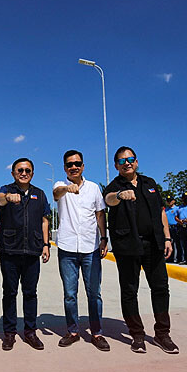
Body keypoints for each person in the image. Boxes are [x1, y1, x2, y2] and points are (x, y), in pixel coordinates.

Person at [104, 146, 178, 354]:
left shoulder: (150, 183)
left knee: (161, 288)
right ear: (116, 166)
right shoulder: (113, 186)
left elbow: (161, 212)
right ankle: (137, 335)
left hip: (154, 243)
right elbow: (109, 200)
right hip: (127, 246)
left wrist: (167, 237)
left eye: (131, 159)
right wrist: (120, 194)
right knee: (129, 291)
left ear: (136, 162)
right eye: (122, 161)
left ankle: (163, 334)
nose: (127, 163)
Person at [53, 150, 110, 351]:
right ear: (65, 168)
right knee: (70, 293)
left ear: (83, 166)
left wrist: (104, 239)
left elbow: (100, 214)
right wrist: (67, 189)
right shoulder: (60, 185)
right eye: (69, 164)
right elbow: (56, 194)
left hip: (90, 247)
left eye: (77, 163)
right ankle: (73, 331)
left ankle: (97, 333)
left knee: (94, 293)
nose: (74, 167)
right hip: (67, 248)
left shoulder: (94, 188)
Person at [0, 158, 51, 351]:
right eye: (20, 170)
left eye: (27, 170)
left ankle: (30, 332)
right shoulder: (5, 189)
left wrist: (45, 244)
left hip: (33, 250)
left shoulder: (40, 194)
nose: (24, 173)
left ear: (32, 173)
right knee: (9, 293)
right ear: (13, 173)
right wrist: (8, 197)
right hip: (10, 250)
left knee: (30, 293)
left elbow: (45, 221)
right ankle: (9, 333)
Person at [164, 195, 181, 263]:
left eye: (170, 200)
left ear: (173, 201)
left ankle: (179, 258)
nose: (169, 202)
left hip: (176, 227)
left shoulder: (177, 209)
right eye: (168, 201)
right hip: (168, 228)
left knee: (178, 243)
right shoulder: (166, 210)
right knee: (169, 243)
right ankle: (170, 258)